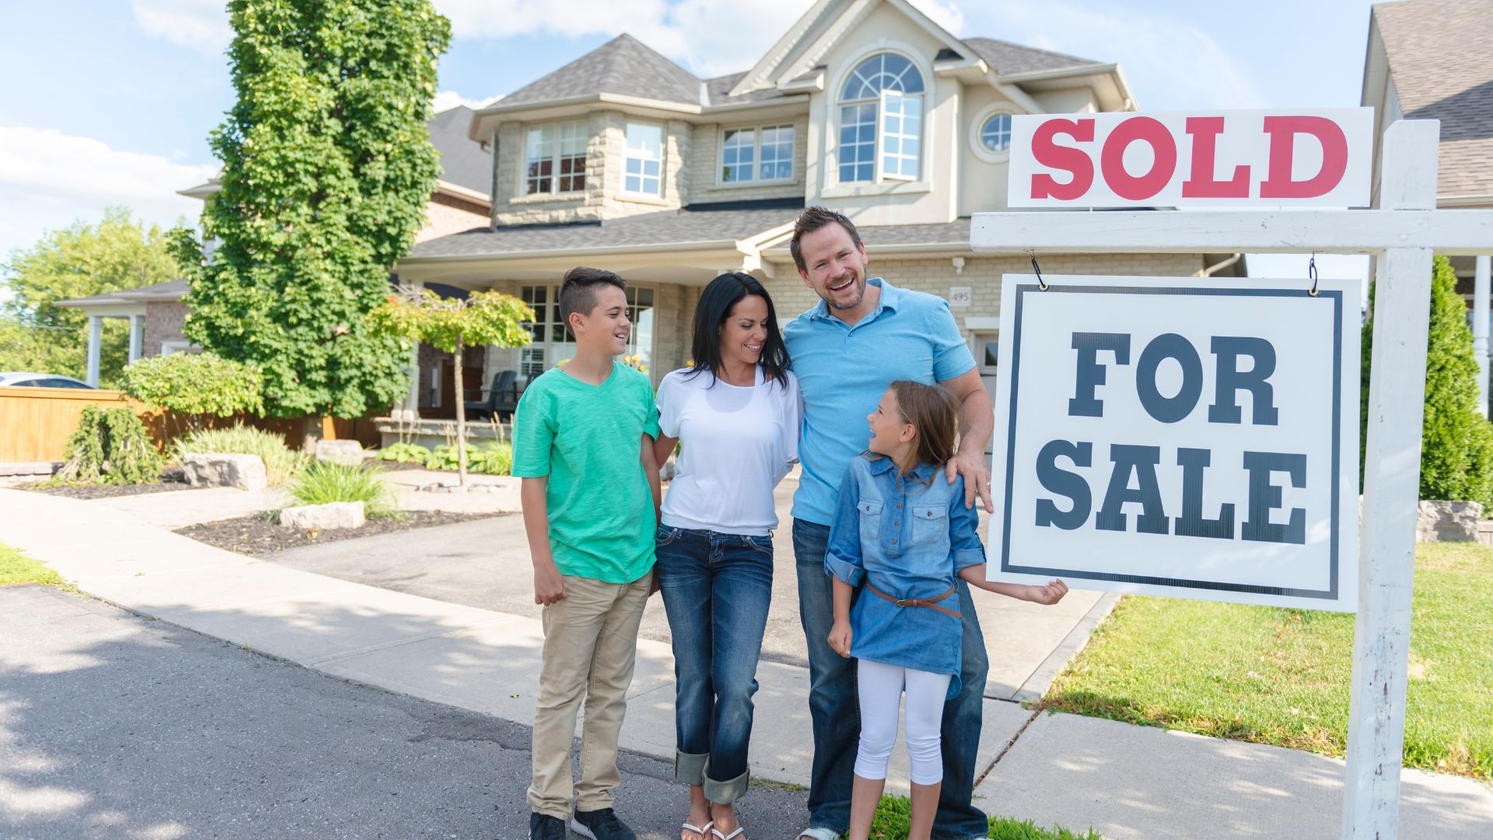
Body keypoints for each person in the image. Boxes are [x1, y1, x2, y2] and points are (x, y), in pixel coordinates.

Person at [782, 206, 997, 840]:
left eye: (841, 255)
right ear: (804, 274)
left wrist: (971, 450)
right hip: (827, 525)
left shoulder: (925, 313)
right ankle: (831, 819)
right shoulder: (795, 337)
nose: (836, 270)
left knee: (966, 668)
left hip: (924, 530)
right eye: (819, 263)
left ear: (862, 251)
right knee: (833, 676)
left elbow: (972, 396)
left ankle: (952, 823)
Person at [824, 382, 1068, 840]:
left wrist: (1030, 592)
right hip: (876, 620)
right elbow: (844, 552)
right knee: (874, 737)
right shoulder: (859, 472)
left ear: (908, 431)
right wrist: (841, 619)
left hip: (935, 627)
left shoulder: (952, 483)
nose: (870, 419)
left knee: (922, 738)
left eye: (880, 412)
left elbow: (969, 561)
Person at [513, 266, 663, 840]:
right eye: (616, 312)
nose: (627, 321)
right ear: (579, 322)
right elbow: (531, 482)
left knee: (610, 694)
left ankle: (596, 803)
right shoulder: (546, 395)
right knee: (560, 694)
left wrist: (656, 549)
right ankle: (548, 808)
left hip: (633, 566)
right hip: (574, 571)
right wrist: (542, 564)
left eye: (629, 312)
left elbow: (649, 465)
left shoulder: (636, 387)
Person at [650, 273, 801, 840]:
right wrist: (652, 533)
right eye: (746, 324)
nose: (759, 334)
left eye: (764, 324)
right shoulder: (680, 385)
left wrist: (739, 497)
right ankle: (697, 808)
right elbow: (654, 459)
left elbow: (783, 461)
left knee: (737, 684)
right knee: (694, 679)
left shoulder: (782, 387)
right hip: (682, 544)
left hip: (748, 549)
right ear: (716, 325)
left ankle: (726, 801)